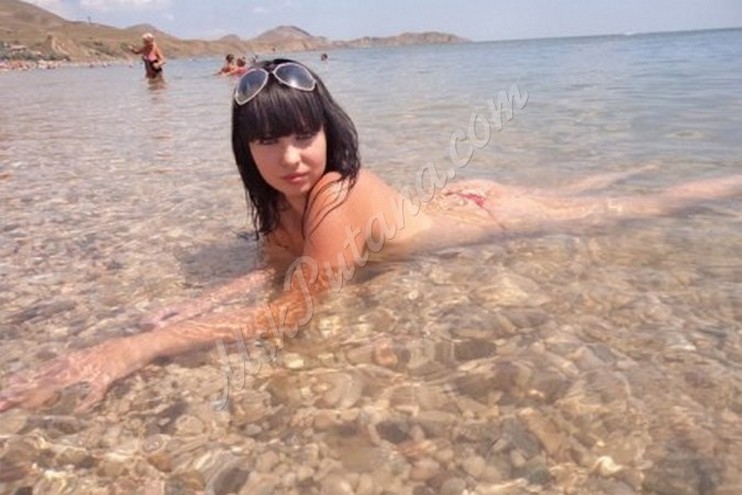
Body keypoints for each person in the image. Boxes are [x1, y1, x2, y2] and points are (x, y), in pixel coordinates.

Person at [1, 58, 741, 412]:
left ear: (329, 131)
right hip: (457, 195)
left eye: (304, 135)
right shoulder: (284, 198)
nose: (291, 157)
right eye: (269, 142)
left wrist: (136, 347)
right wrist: (207, 298)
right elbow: (282, 267)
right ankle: (631, 163)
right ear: (246, 150)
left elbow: (292, 313)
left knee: (648, 205)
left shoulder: (333, 192)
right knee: (606, 188)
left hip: (488, 215)